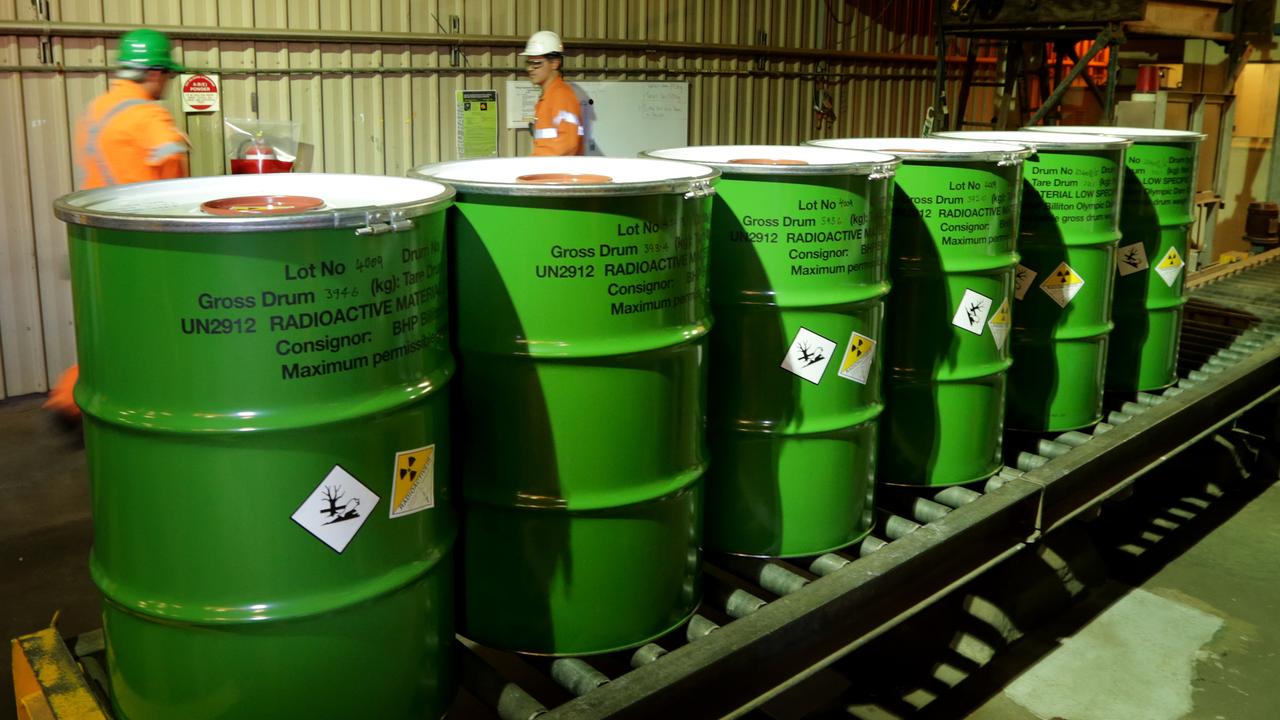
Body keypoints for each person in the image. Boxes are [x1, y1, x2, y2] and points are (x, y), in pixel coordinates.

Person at [46, 28, 189, 424]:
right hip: (142, 242)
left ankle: (67, 396)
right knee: (140, 329)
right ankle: (77, 402)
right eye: (168, 76)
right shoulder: (147, 114)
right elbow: (176, 176)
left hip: (99, 235)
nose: (167, 84)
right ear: (156, 72)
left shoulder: (98, 109)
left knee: (110, 328)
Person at [521, 30, 584, 156]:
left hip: (556, 174)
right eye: (529, 63)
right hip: (548, 172)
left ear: (554, 63)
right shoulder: (548, 97)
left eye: (536, 63)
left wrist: (535, 165)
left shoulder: (561, 96)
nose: (530, 69)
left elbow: (568, 144)